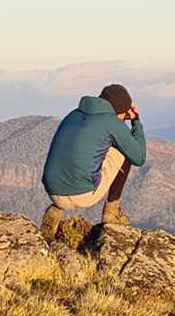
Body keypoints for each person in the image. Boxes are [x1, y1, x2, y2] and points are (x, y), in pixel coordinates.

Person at [40, 83, 146, 239]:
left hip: (52, 191)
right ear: (120, 112)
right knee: (125, 152)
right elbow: (139, 157)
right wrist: (136, 122)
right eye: (123, 116)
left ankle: (55, 211)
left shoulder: (73, 114)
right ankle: (112, 213)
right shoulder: (112, 122)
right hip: (83, 194)